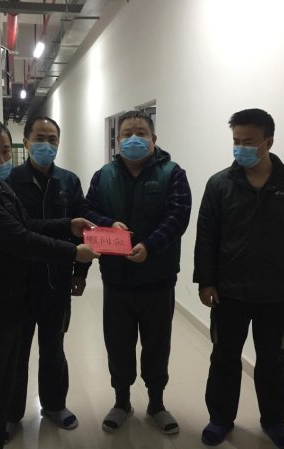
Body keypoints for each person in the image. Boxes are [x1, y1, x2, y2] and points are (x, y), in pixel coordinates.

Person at [0, 116, 99, 449]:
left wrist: (67, 225)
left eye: (4, 151)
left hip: (12, 298)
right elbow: (21, 239)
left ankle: (29, 414)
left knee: (6, 375)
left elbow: (26, 223)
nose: (0, 159)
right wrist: (73, 251)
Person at [193, 109, 284, 448]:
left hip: (275, 294)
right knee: (224, 358)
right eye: (235, 141)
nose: (240, 148)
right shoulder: (220, 184)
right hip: (228, 292)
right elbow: (206, 237)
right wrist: (206, 282)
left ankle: (274, 421)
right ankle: (220, 419)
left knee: (272, 362)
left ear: (269, 142)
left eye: (248, 142)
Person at [82, 110, 192, 434]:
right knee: (118, 345)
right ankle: (122, 402)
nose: (134, 138)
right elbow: (86, 210)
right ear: (117, 140)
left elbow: (178, 215)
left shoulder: (173, 173)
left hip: (158, 280)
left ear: (153, 139)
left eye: (141, 133)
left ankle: (157, 404)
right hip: (116, 280)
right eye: (127, 133)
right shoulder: (103, 176)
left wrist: (150, 246)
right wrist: (107, 223)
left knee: (157, 346)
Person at [3, 116, 90, 439]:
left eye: (53, 139)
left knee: (53, 347)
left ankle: (54, 405)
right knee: (17, 352)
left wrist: (80, 273)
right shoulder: (9, 181)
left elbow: (84, 230)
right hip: (18, 282)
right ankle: (11, 414)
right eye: (40, 138)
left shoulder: (69, 181)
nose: (47, 144)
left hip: (57, 281)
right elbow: (15, 231)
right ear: (26, 142)